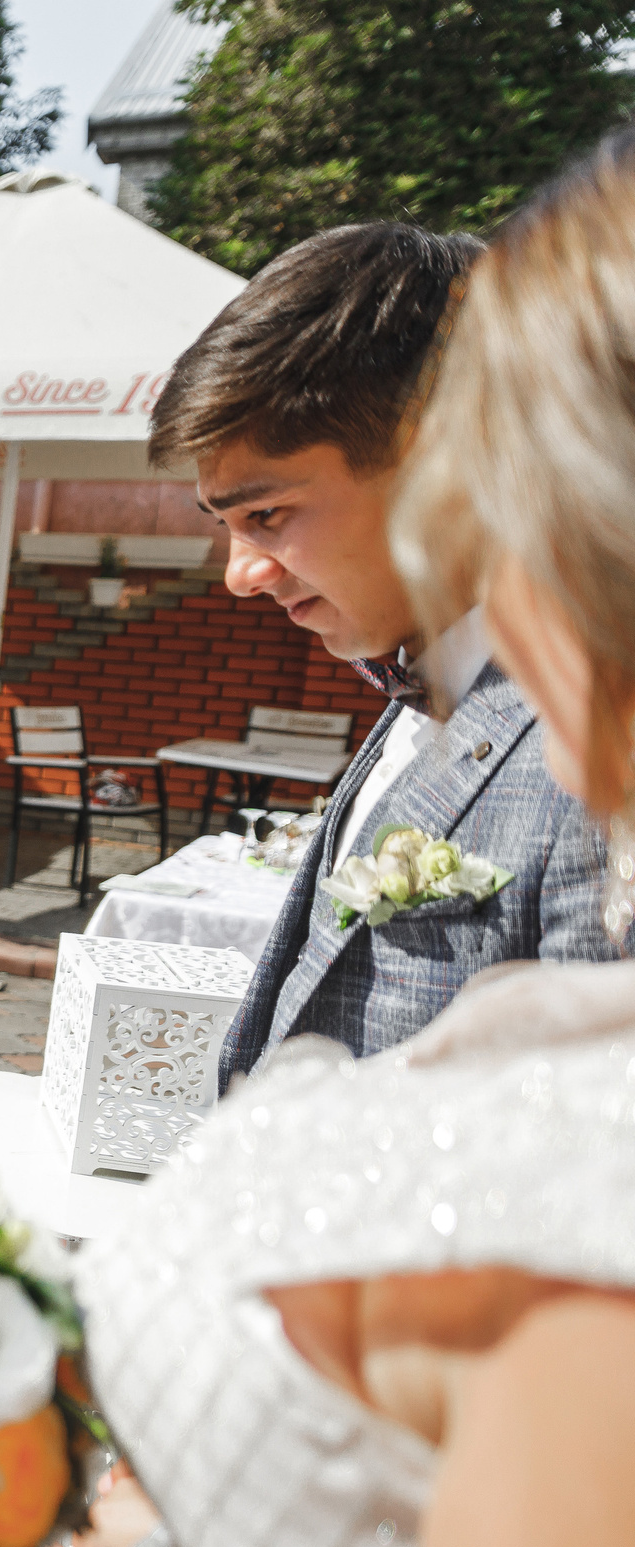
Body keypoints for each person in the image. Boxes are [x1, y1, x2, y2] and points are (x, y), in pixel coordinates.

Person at [146, 223, 614, 1092]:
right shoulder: (425, 676)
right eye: (225, 527)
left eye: (268, 516)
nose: (242, 576)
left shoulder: (599, 749)